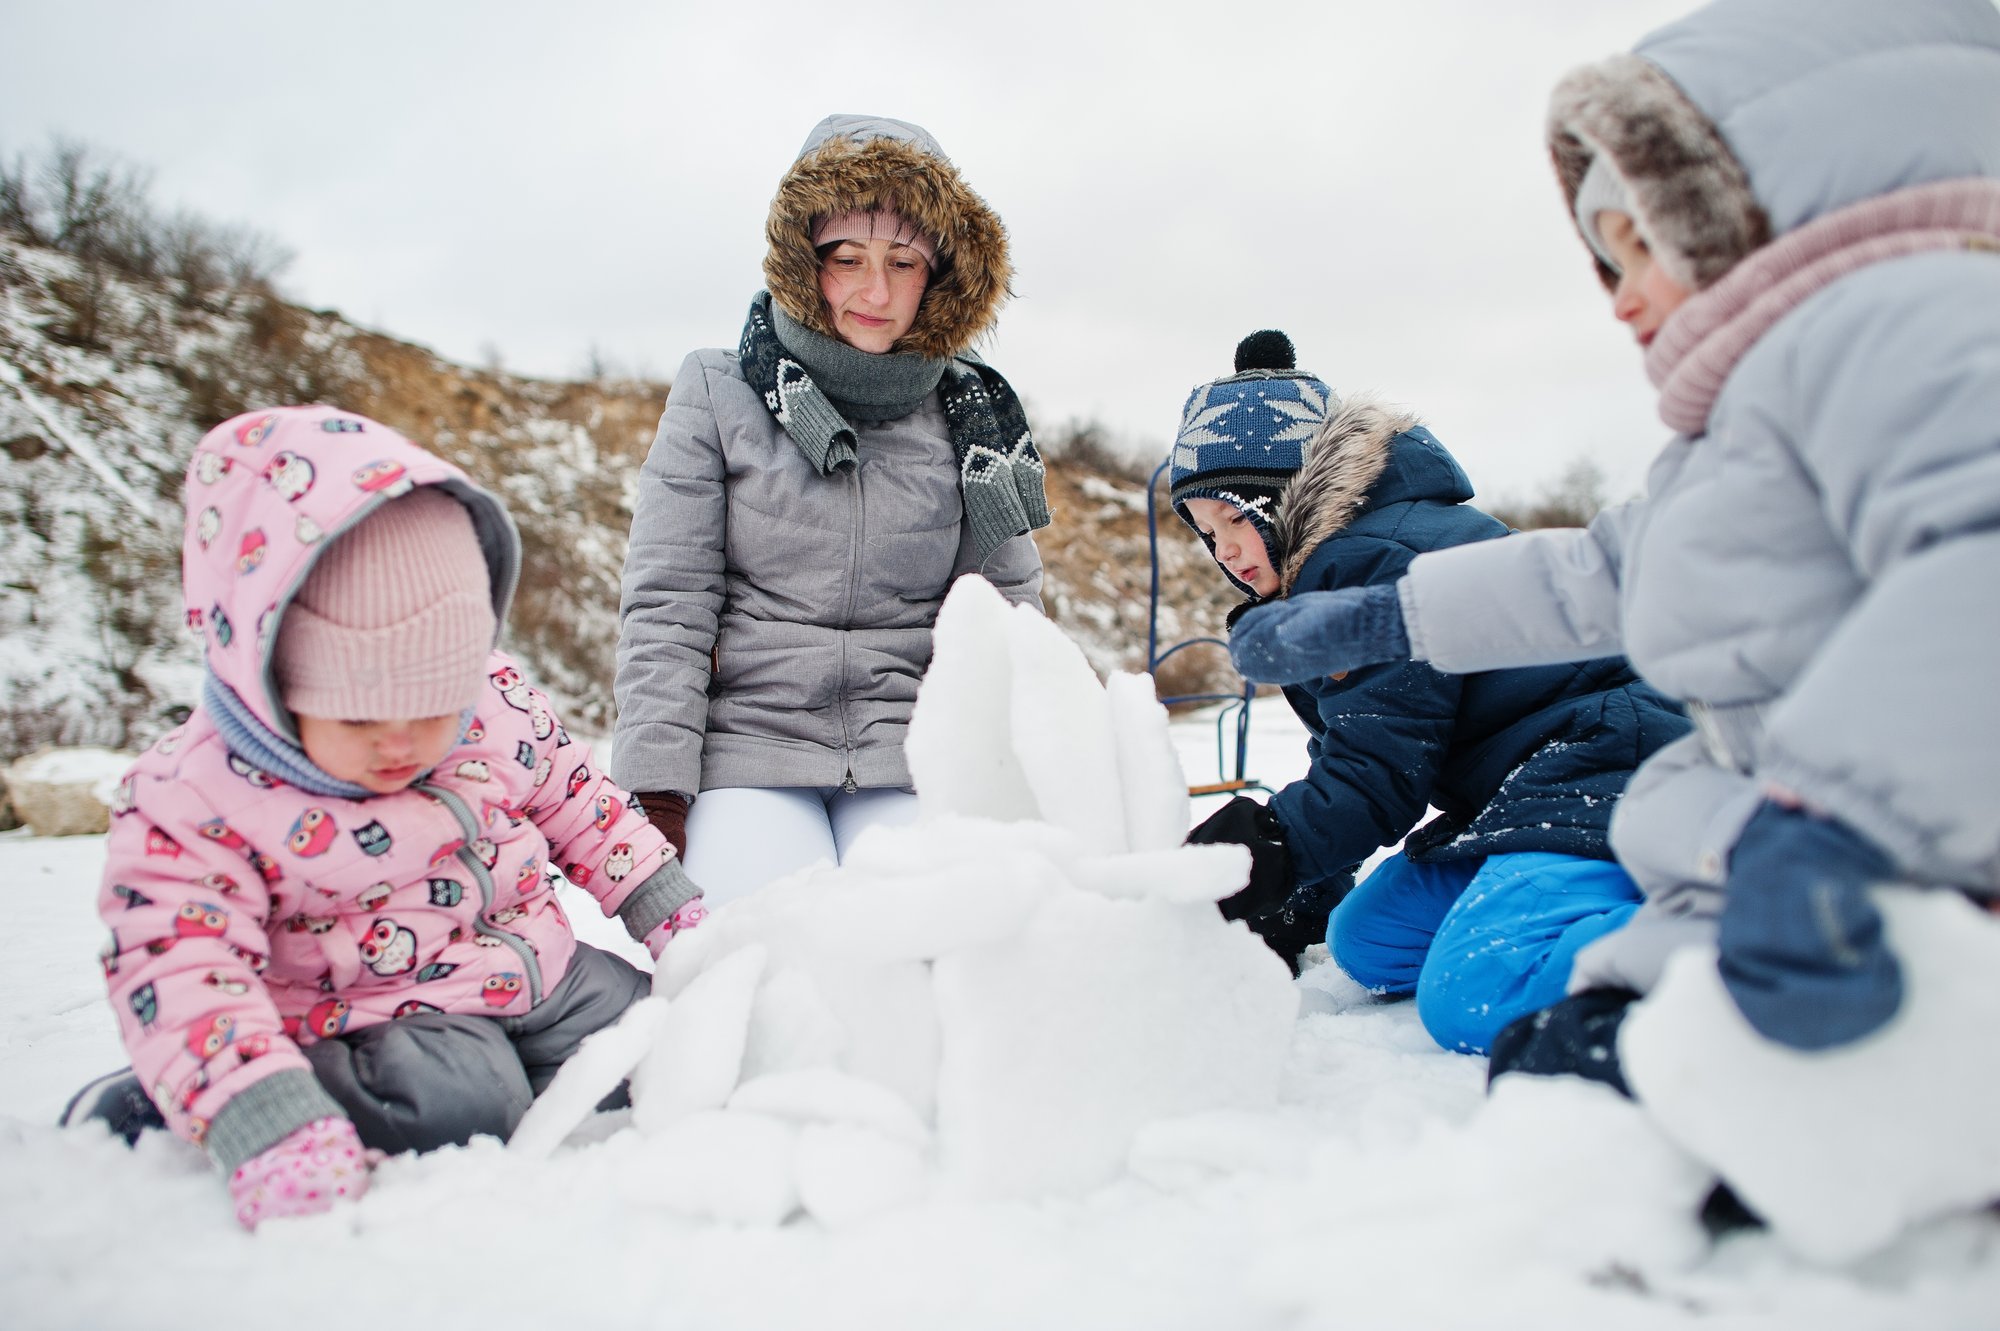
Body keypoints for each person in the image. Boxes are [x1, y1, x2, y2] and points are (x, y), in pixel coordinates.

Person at [1229, 0, 2000, 1074]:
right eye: (1603, 259)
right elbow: (1591, 569)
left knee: (1474, 985)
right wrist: (1386, 619)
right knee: (1370, 937)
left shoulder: (1903, 356)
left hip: (1791, 832)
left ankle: (1746, 1020)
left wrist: (1825, 827)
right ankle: (1665, 969)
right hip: (1700, 807)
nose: (1619, 298)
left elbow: (1969, 585)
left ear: (1756, 215)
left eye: (1640, 248)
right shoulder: (1729, 445)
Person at [66, 405, 705, 1230]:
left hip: (534, 969)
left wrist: (670, 908)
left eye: (435, 708)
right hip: (364, 1014)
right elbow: (180, 966)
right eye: (363, 718)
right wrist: (265, 1116)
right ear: (276, 679)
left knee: (662, 1037)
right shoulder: (198, 797)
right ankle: (222, 1098)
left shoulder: (492, 703)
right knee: (463, 1103)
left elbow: (582, 805)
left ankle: (537, 1056)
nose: (403, 744)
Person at [1173, 332, 1687, 1052]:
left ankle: (1717, 934)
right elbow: (1360, 751)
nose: (1222, 549)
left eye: (1232, 519)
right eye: (1203, 532)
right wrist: (1302, 886)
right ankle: (1575, 895)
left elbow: (1379, 777)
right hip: (1521, 791)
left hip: (1598, 763)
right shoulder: (1335, 573)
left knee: (1471, 991)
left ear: (1286, 497)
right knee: (1367, 940)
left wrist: (1276, 847)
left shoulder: (1363, 562)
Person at [612, 114, 1046, 907]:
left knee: (926, 944)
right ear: (802, 262)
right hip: (750, 751)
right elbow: (669, 604)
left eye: (902, 261)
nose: (873, 292)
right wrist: (658, 789)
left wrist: (1012, 774)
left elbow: (1002, 618)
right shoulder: (716, 391)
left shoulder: (976, 414)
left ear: (940, 275)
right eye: (846, 258)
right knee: (773, 951)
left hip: (910, 753)